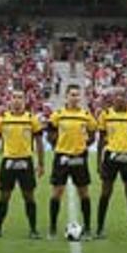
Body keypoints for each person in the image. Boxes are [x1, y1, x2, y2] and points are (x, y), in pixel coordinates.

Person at [46, 84, 97, 238]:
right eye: (72, 95)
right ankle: (53, 227)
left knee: (84, 193)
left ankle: (87, 227)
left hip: (79, 157)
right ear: (66, 97)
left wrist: (85, 145)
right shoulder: (58, 115)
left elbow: (93, 132)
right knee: (57, 193)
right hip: (62, 157)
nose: (74, 97)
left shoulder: (85, 115)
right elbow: (50, 132)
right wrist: (56, 146)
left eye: (77, 95)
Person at [0, 92, 43, 239]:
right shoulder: (3, 119)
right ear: (10, 100)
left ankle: (33, 230)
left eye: (20, 97)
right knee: (4, 197)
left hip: (26, 162)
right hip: (7, 162)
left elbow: (39, 143)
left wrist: (40, 163)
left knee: (29, 197)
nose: (17, 100)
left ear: (25, 101)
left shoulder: (31, 119)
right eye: (14, 97)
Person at [95, 88, 127, 239]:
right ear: (113, 99)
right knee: (105, 193)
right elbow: (101, 140)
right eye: (118, 96)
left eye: (123, 96)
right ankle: (100, 228)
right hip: (111, 156)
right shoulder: (106, 114)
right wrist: (99, 162)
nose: (121, 99)